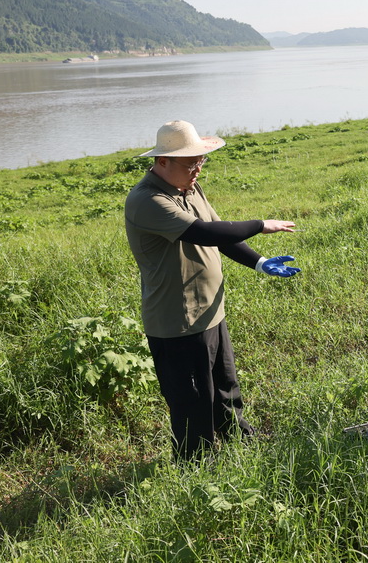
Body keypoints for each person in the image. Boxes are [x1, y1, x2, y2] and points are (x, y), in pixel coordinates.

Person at [124, 120, 301, 460]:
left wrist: (260, 262)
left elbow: (221, 235)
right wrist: (262, 225)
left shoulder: (190, 188)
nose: (197, 169)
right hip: (178, 321)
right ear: (162, 161)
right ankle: (196, 470)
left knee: (226, 390)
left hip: (210, 311)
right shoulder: (147, 200)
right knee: (192, 404)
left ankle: (242, 448)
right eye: (190, 163)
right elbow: (204, 234)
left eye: (201, 161)